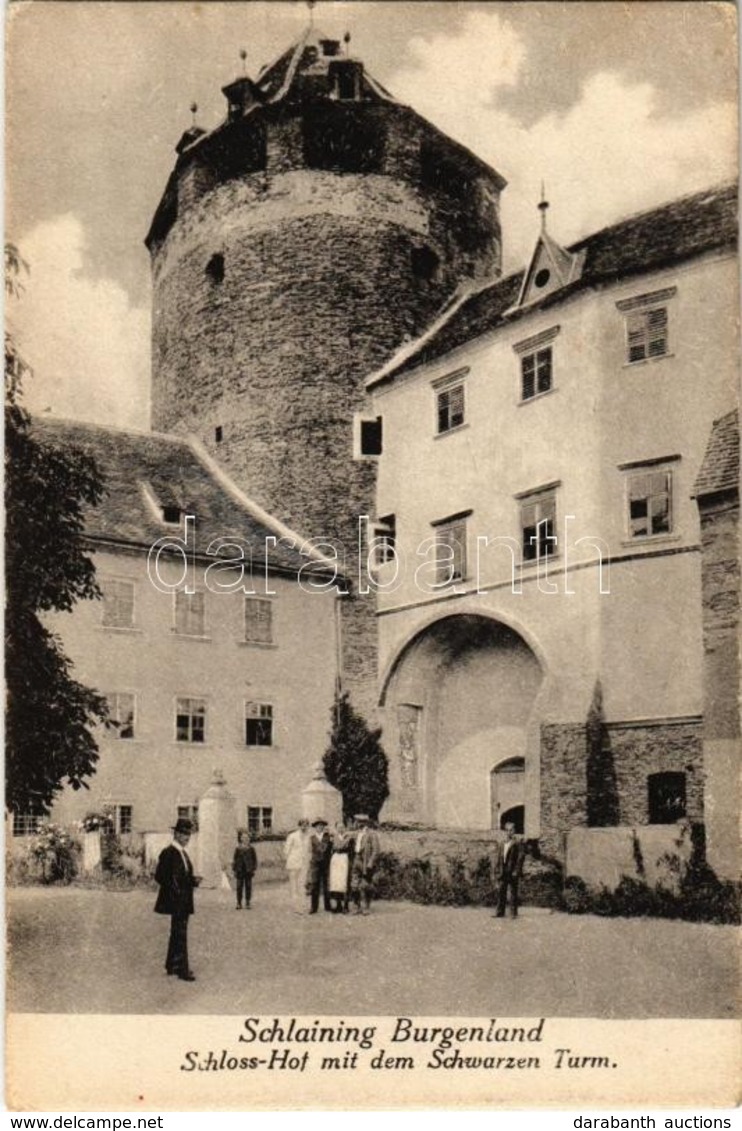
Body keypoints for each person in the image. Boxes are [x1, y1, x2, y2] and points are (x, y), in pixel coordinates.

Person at [154, 817, 201, 981]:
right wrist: (174, 889)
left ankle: (172, 965)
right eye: (183, 834)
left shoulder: (182, 853)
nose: (187, 838)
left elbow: (182, 875)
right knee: (180, 933)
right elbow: (160, 876)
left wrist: (192, 880)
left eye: (188, 835)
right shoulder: (169, 852)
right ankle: (182, 969)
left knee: (177, 932)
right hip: (177, 899)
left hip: (183, 898)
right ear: (176, 834)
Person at [492, 822, 526, 919]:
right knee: (501, 891)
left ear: (514, 831)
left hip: (512, 871)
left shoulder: (517, 843)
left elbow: (520, 858)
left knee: (513, 892)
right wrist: (497, 869)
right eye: (507, 830)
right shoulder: (502, 843)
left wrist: (517, 870)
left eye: (511, 830)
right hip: (503, 871)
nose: (509, 832)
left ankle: (513, 913)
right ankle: (500, 912)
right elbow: (499, 857)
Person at [350, 814, 380, 915]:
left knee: (365, 885)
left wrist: (371, 862)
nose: (358, 823)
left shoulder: (372, 834)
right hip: (356, 860)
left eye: (360, 822)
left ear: (365, 823)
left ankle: (366, 907)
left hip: (366, 862)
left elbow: (376, 850)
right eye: (357, 821)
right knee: (354, 885)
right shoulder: (356, 833)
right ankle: (356, 906)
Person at [283, 818, 311, 914]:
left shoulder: (308, 837)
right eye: (303, 825)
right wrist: (289, 861)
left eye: (306, 825)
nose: (304, 827)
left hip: (303, 864)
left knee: (302, 885)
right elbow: (286, 850)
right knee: (294, 886)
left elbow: (308, 851)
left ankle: (302, 906)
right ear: (299, 825)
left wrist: (307, 861)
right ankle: (295, 907)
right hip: (293, 864)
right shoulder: (292, 836)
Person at [307, 819, 333, 914]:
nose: (320, 827)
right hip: (315, 864)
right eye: (318, 826)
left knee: (326, 885)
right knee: (315, 885)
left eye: (322, 826)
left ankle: (328, 906)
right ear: (315, 828)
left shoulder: (327, 837)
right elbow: (310, 850)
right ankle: (314, 907)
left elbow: (324, 848)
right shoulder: (312, 838)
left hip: (325, 863)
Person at [328, 822, 354, 913]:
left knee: (344, 881)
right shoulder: (333, 838)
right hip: (336, 859)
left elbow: (351, 851)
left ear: (345, 828)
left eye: (342, 827)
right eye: (338, 827)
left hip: (344, 858)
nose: (340, 829)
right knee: (336, 882)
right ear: (336, 828)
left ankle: (345, 906)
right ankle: (338, 905)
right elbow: (331, 849)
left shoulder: (349, 838)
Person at [232, 830, 258, 909]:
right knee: (239, 886)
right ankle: (239, 903)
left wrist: (253, 868)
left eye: (247, 838)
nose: (245, 839)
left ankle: (247, 902)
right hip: (240, 870)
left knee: (248, 886)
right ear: (241, 839)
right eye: (243, 838)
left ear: (249, 839)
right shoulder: (238, 848)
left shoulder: (251, 848)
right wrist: (234, 869)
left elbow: (254, 859)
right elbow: (235, 859)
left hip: (248, 870)